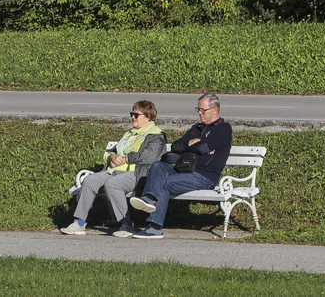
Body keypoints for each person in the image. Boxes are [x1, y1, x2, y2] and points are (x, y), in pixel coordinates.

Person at [130, 93, 232, 239]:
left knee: (164, 184)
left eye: (203, 110)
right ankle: (148, 198)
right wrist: (189, 144)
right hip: (183, 170)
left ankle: (154, 227)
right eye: (198, 109)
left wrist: (192, 145)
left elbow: (203, 147)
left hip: (204, 176)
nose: (199, 113)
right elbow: (176, 146)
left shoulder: (223, 129)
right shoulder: (195, 128)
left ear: (214, 109)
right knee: (158, 166)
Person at [60, 100, 167, 237]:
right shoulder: (129, 133)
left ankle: (126, 224)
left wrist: (127, 158)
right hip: (114, 170)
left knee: (113, 184)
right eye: (131, 114)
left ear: (148, 117)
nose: (132, 117)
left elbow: (149, 157)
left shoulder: (156, 135)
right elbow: (111, 151)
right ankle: (79, 223)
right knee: (89, 181)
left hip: (138, 174)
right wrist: (112, 157)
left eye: (136, 114)